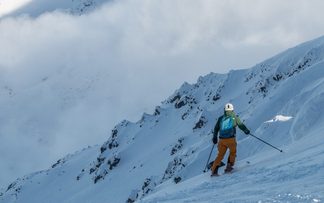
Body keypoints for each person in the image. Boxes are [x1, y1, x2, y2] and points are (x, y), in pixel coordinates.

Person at [211, 103, 250, 176]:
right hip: (231, 139)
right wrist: (246, 130)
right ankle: (229, 167)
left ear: (224, 110)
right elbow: (241, 125)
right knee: (232, 152)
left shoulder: (220, 118)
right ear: (232, 110)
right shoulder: (234, 117)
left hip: (221, 140)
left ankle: (214, 171)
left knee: (220, 155)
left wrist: (214, 137)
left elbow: (216, 128)